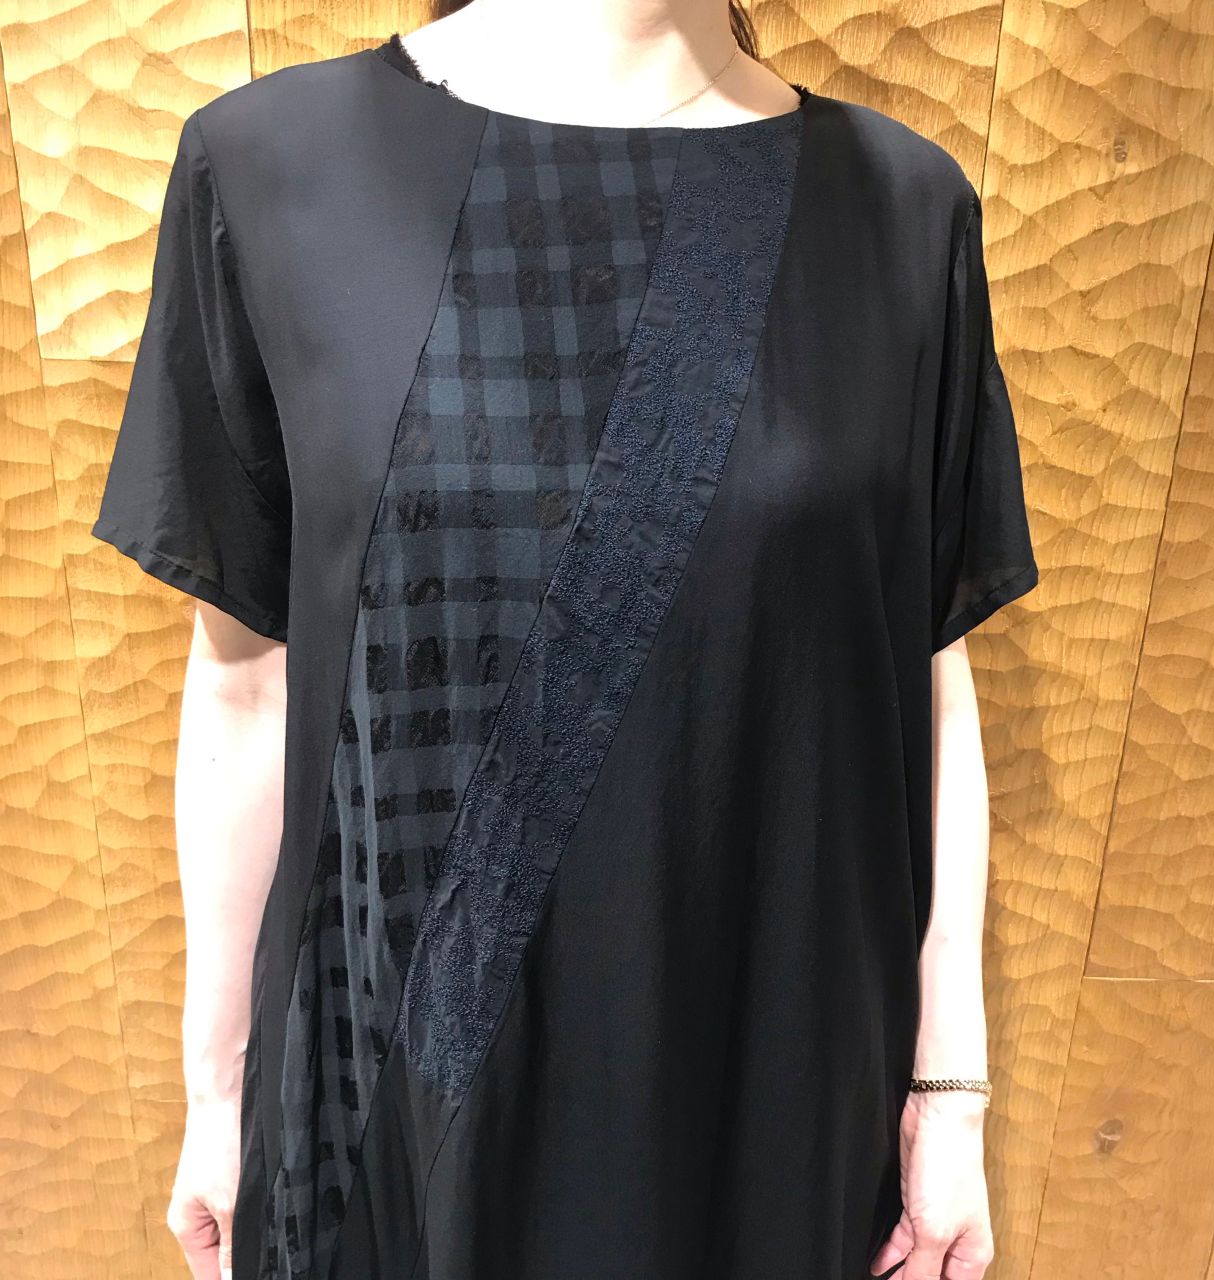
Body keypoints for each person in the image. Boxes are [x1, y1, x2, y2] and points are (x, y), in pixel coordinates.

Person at [91, 1, 1041, 1277]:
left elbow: (921, 672)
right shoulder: (271, 167)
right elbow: (244, 682)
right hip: (406, 1107)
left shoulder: (905, 212)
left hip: (774, 1094)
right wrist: (219, 1098)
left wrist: (950, 1091)